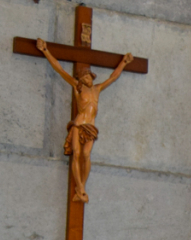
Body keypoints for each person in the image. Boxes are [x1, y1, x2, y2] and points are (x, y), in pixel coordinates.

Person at [34, 38, 133, 203]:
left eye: (89, 76)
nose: (88, 79)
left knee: (86, 155)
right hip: (78, 125)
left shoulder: (97, 89)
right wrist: (45, 50)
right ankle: (79, 187)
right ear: (81, 79)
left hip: (91, 127)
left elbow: (113, 77)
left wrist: (124, 62)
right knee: (77, 154)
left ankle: (82, 188)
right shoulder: (77, 87)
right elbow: (59, 69)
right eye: (85, 77)